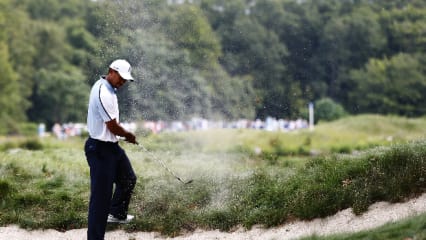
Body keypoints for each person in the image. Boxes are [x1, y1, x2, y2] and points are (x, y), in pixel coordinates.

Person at [84, 59, 138, 240]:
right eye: (121, 78)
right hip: (99, 149)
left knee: (128, 178)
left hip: (111, 147)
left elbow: (113, 129)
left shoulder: (109, 88)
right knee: (100, 199)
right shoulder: (103, 92)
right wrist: (128, 135)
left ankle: (117, 213)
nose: (122, 82)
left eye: (125, 80)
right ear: (111, 71)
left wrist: (123, 136)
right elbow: (113, 127)